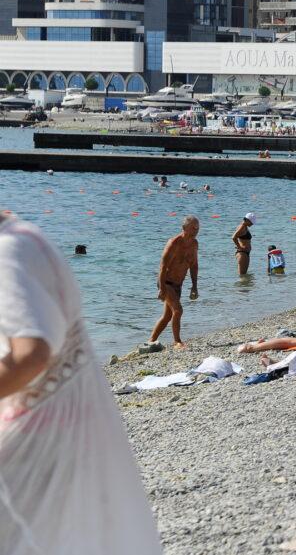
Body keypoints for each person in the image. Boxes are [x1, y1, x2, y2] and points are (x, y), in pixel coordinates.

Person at [0, 215, 163, 554]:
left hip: (38, 439)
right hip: (64, 426)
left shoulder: (9, 250)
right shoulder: (25, 238)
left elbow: (32, 353)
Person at [149, 215, 200, 349]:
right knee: (178, 310)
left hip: (178, 285)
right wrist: (161, 288)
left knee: (167, 316)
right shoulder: (174, 243)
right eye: (193, 228)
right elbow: (163, 266)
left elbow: (194, 266)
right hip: (166, 282)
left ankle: (151, 341)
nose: (196, 231)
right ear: (184, 228)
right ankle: (177, 341)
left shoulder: (194, 244)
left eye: (197, 228)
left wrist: (194, 286)